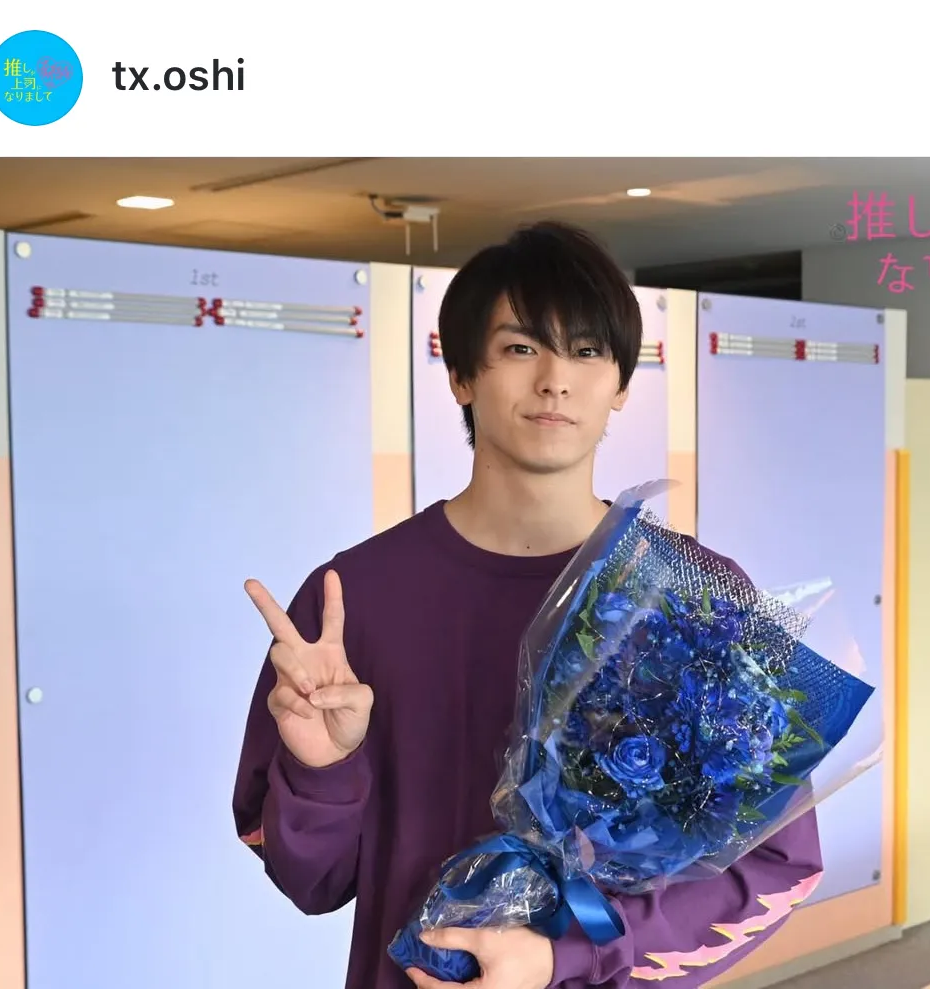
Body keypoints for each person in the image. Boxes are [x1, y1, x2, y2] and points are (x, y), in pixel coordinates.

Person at [232, 221, 823, 989]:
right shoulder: (353, 598)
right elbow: (312, 881)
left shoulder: (692, 595)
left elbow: (775, 864)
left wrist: (564, 955)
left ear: (620, 384)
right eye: (519, 347)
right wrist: (322, 767)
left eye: (586, 350)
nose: (554, 380)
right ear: (460, 376)